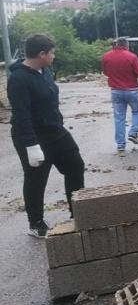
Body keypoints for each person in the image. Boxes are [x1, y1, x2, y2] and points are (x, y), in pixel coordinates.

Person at [8, 34, 86, 238]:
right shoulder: (18, 78)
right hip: (34, 136)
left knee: (75, 166)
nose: (54, 56)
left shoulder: (45, 71)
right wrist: (31, 146)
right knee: (36, 179)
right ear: (41, 54)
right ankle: (35, 222)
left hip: (56, 132)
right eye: (51, 53)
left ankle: (78, 212)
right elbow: (21, 115)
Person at [102, 37, 138, 156]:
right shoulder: (131, 56)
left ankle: (120, 145)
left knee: (119, 118)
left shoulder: (106, 56)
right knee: (137, 111)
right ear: (126, 46)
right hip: (132, 90)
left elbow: (106, 72)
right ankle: (133, 132)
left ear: (115, 45)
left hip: (116, 91)